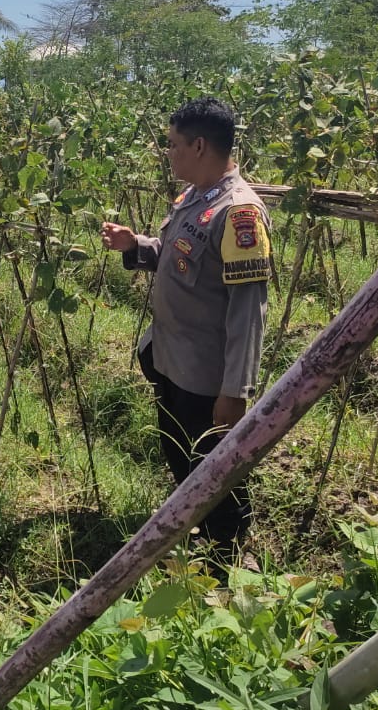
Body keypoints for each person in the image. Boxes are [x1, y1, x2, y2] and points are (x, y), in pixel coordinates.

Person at [100, 96, 272, 560]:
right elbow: (177, 255)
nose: (168, 152)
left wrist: (235, 390)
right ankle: (192, 533)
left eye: (172, 144)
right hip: (171, 360)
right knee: (179, 454)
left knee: (216, 469)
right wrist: (135, 244)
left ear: (198, 145)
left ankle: (228, 556)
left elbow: (248, 310)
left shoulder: (239, 214)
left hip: (206, 378)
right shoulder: (196, 199)